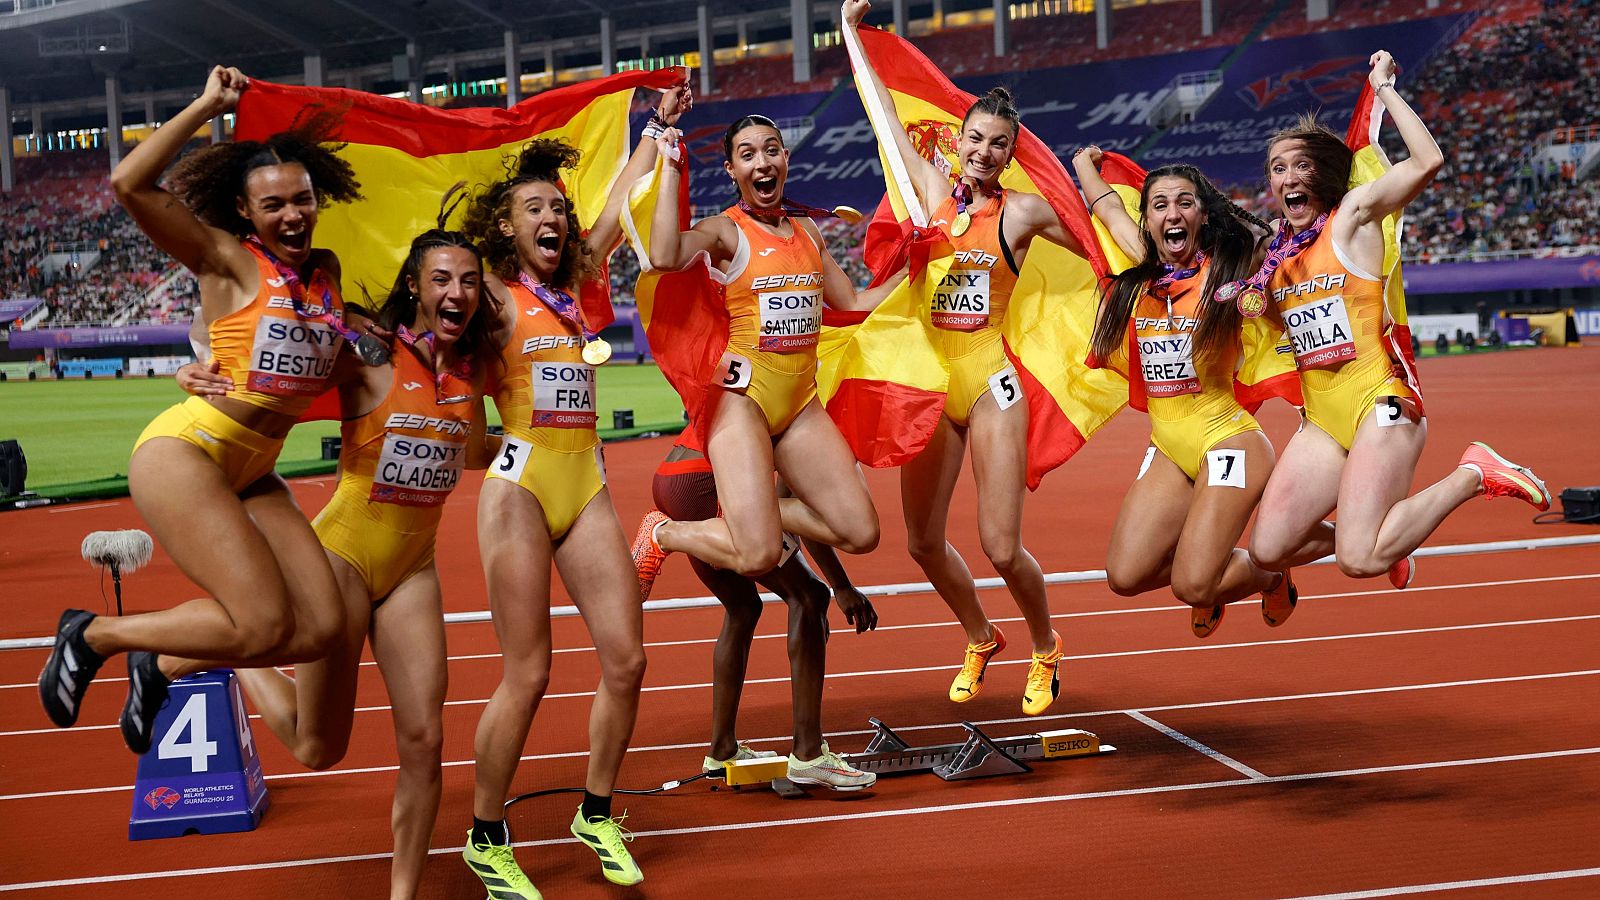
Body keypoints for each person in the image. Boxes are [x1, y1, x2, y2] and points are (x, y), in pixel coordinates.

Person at [38, 66, 363, 753]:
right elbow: (129, 184)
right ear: (246, 212)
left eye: (301, 199)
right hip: (187, 454)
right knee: (262, 625)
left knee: (322, 629)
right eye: (273, 205)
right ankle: (94, 633)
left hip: (255, 468)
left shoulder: (325, 275)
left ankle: (163, 663)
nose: (292, 215)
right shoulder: (223, 259)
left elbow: (264, 342)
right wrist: (207, 106)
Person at [181, 227, 497, 900]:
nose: (457, 292)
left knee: (425, 738)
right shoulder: (370, 355)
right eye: (442, 279)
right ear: (414, 285)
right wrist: (203, 366)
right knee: (317, 748)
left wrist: (546, 437)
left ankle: (402, 894)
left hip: (415, 566)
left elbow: (471, 453)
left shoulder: (468, 374)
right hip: (344, 555)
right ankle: (240, 660)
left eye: (469, 281)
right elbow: (281, 369)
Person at [462, 83, 691, 897]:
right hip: (521, 483)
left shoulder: (576, 283)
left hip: (585, 478)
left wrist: (654, 131)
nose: (551, 218)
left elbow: (619, 201)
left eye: (556, 208)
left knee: (627, 660)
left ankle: (596, 812)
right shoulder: (487, 293)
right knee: (528, 672)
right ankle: (486, 835)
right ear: (504, 226)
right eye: (532, 208)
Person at [841, 0, 1092, 715]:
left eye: (999, 145)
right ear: (958, 140)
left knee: (1002, 547)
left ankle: (1046, 647)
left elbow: (1098, 251)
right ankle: (981, 636)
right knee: (922, 543)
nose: (984, 152)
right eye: (975, 139)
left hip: (990, 382)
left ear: (1013, 153)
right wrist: (849, 32)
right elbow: (882, 116)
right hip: (930, 383)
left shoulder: (1023, 213)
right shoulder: (924, 192)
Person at [1247, 52, 1549, 588]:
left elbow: (1426, 161)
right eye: (1277, 168)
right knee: (1270, 548)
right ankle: (1390, 533)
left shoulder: (1354, 216)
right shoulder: (1277, 255)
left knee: (1358, 559)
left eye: (1300, 166)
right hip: (1322, 420)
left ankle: (1473, 472)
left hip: (1379, 403)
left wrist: (1382, 89)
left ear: (1325, 175)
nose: (1288, 177)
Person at [630, 114, 902, 599]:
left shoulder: (809, 234)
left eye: (771, 149)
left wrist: (920, 267)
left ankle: (748, 512)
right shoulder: (725, 233)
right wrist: (670, 168)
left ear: (786, 159)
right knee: (756, 555)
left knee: (862, 532)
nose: (762, 161)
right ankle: (662, 532)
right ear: (732, 171)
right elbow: (665, 255)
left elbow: (856, 303)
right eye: (748, 154)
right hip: (743, 403)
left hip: (800, 404)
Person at [1072, 151, 1297, 637]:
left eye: (1184, 203)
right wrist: (1084, 164)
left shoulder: (1225, 272)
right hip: (1170, 447)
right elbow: (1107, 208)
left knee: (1192, 586)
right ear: (1148, 221)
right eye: (1158, 205)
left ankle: (1267, 575)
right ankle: (1212, 575)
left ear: (1202, 215)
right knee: (1125, 576)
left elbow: (1269, 238)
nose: (1171, 213)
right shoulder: (1146, 271)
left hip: (1228, 443)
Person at [650, 424, 879, 790]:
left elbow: (787, 511)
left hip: (677, 475)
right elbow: (806, 515)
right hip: (707, 483)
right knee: (809, 596)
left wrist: (841, 584)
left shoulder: (799, 392)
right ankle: (808, 755)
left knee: (742, 606)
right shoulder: (823, 417)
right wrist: (839, 586)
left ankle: (722, 749)